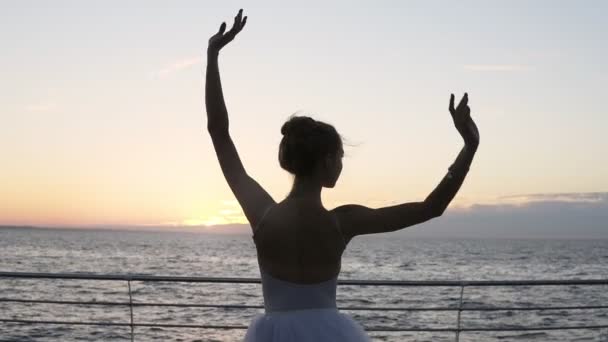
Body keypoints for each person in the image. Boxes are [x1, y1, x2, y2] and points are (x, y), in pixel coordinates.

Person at [205, 9, 480, 341]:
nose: (341, 164)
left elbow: (219, 133)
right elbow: (430, 207)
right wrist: (469, 147)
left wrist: (213, 56)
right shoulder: (342, 222)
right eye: (339, 156)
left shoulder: (263, 215)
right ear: (325, 162)